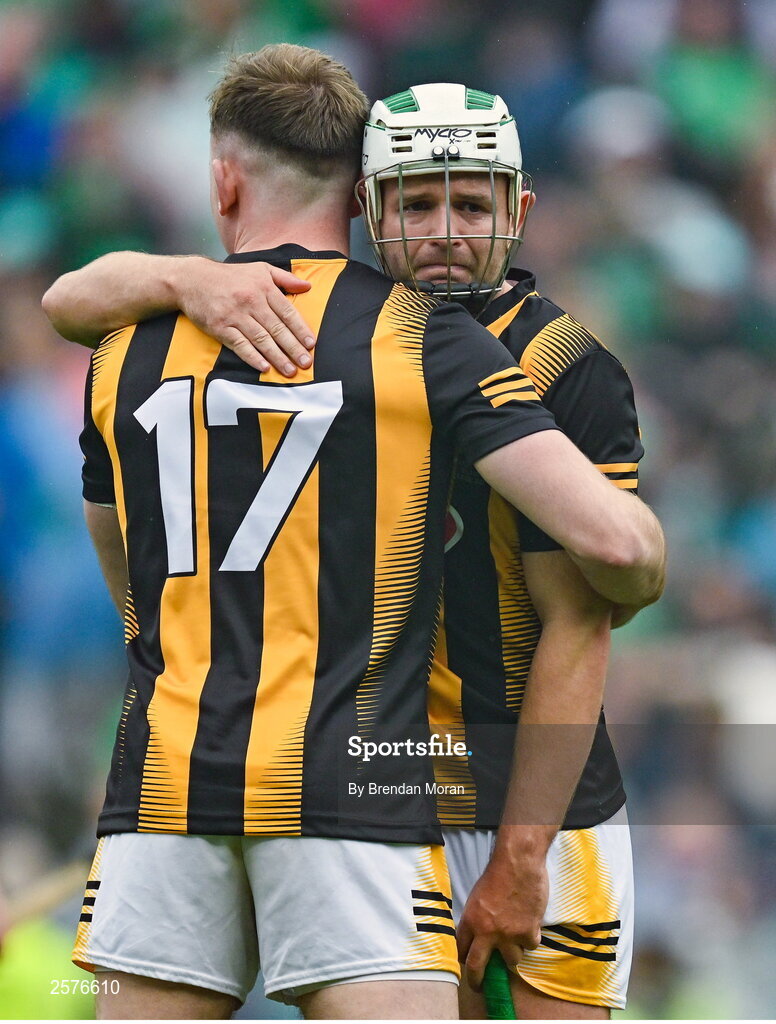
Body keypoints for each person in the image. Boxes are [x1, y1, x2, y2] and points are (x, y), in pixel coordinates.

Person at [44, 64, 665, 1021]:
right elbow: (624, 553)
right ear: (367, 203)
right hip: (369, 780)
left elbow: (579, 625)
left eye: (472, 201)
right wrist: (179, 276)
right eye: (418, 202)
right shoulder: (388, 328)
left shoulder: (561, 363)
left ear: (521, 207)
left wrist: (525, 849)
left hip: (520, 795)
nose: (447, 231)